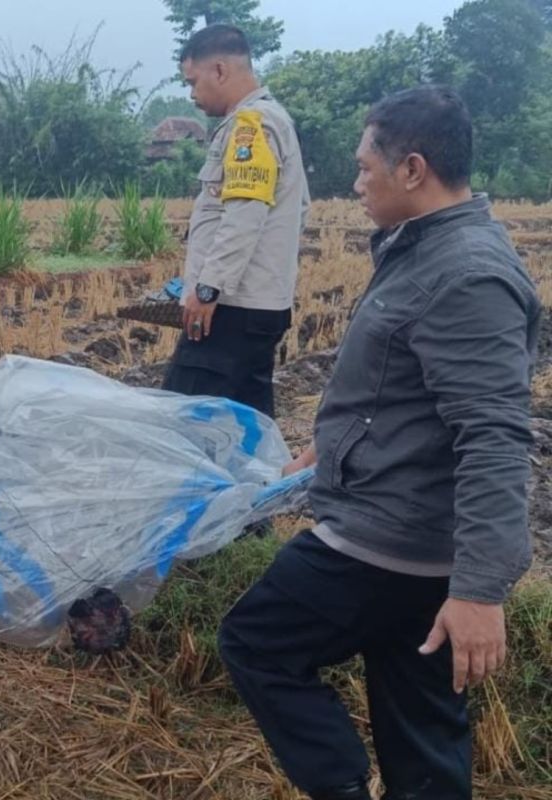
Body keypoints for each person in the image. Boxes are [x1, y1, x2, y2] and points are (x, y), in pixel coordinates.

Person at [218, 87, 539, 800]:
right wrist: (324, 454)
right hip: (408, 540)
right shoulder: (425, 248)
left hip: (385, 541)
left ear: (414, 169)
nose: (356, 183)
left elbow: (493, 436)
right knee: (420, 726)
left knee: (257, 642)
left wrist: (481, 590)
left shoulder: (468, 275)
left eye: (366, 168)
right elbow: (395, 391)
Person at [161, 24, 310, 419]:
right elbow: (301, 209)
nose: (192, 94)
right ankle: (260, 482)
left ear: (221, 71)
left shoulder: (251, 126)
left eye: (193, 81)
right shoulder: (276, 120)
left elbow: (243, 216)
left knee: (185, 423)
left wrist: (208, 290)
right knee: (247, 425)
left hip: (231, 309)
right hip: (259, 307)